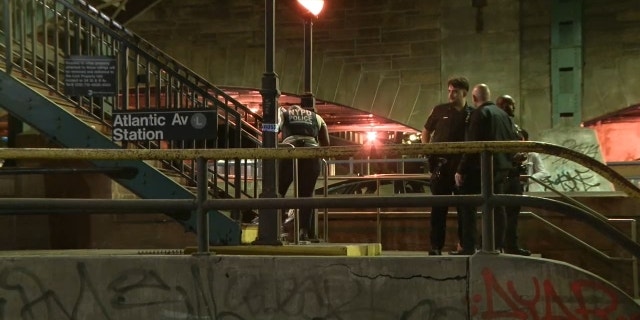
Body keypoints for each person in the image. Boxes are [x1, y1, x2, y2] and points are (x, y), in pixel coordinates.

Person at [454, 84, 521, 255]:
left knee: (467, 206)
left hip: (479, 170)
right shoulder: (503, 115)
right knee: (497, 208)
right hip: (500, 169)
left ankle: (469, 246)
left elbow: (472, 145)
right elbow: (513, 141)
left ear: (474, 98)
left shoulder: (479, 114)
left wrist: (461, 169)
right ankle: (494, 245)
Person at [422, 76, 474, 256]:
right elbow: (426, 131)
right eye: (449, 91)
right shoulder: (439, 110)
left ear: (464, 93)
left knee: (464, 210)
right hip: (442, 166)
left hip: (462, 167)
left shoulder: (471, 114)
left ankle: (464, 245)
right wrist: (429, 152)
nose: (451, 94)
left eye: (455, 91)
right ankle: (436, 246)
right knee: (438, 208)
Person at [277, 104, 330, 242]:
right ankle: (303, 231)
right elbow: (326, 143)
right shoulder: (317, 117)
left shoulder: (284, 114)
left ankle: (278, 227)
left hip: (289, 152)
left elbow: (273, 131)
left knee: (279, 191)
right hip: (311, 154)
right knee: (306, 195)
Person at [496, 95, 531, 256]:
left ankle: (511, 244)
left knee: (513, 214)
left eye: (513, 104)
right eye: (510, 104)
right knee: (499, 213)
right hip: (502, 175)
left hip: (514, 174)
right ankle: (497, 244)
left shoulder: (515, 128)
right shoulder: (497, 126)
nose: (513, 108)